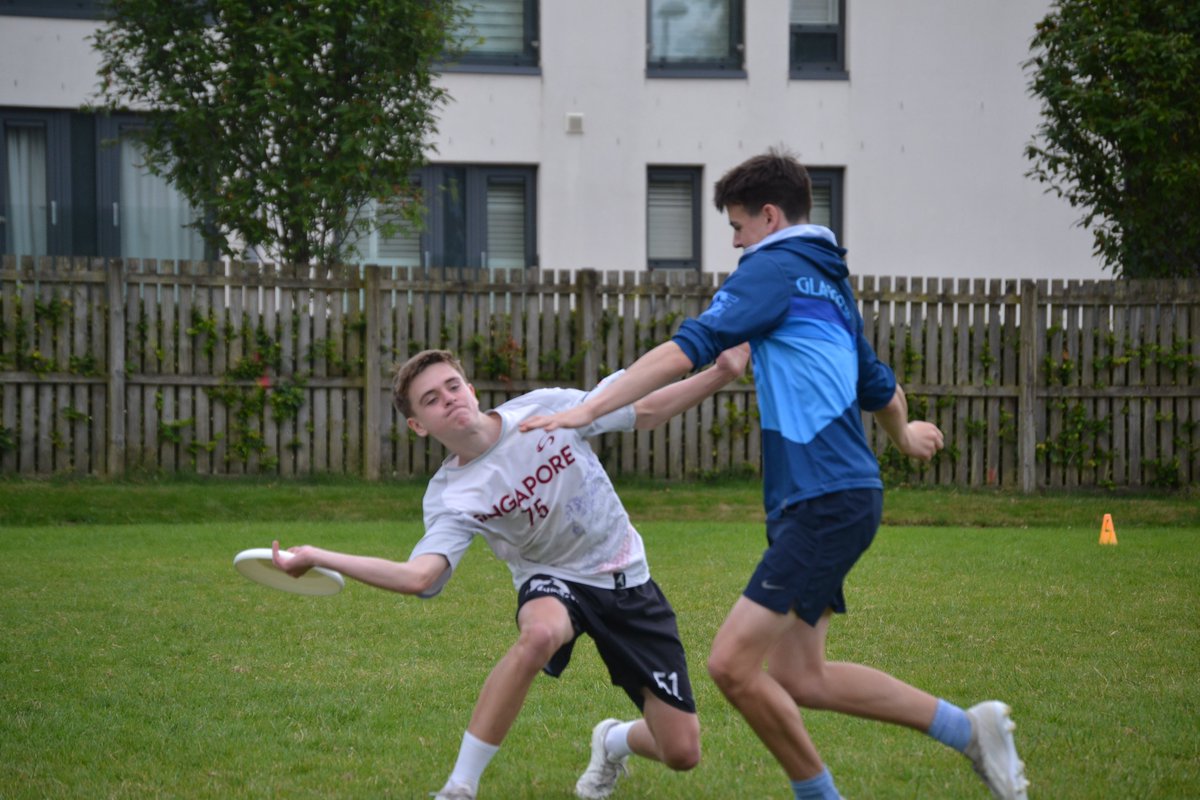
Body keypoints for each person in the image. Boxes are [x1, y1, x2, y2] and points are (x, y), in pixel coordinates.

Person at [520, 148, 1029, 800]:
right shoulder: (831, 284)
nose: (733, 242)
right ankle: (969, 729)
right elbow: (880, 385)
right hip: (826, 499)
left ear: (767, 216)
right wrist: (902, 433)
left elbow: (686, 348)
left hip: (824, 501)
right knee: (801, 675)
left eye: (736, 226)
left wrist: (586, 408)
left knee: (730, 665)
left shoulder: (773, 268)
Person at [273, 344, 749, 800]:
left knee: (682, 752)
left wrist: (721, 373)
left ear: (472, 389)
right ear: (419, 425)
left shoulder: (543, 409)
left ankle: (613, 741)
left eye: (452, 386)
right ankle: (460, 786)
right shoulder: (451, 495)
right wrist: (318, 554)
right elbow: (420, 577)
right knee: (540, 634)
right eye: (431, 400)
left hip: (628, 577)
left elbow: (643, 411)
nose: (449, 400)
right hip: (554, 580)